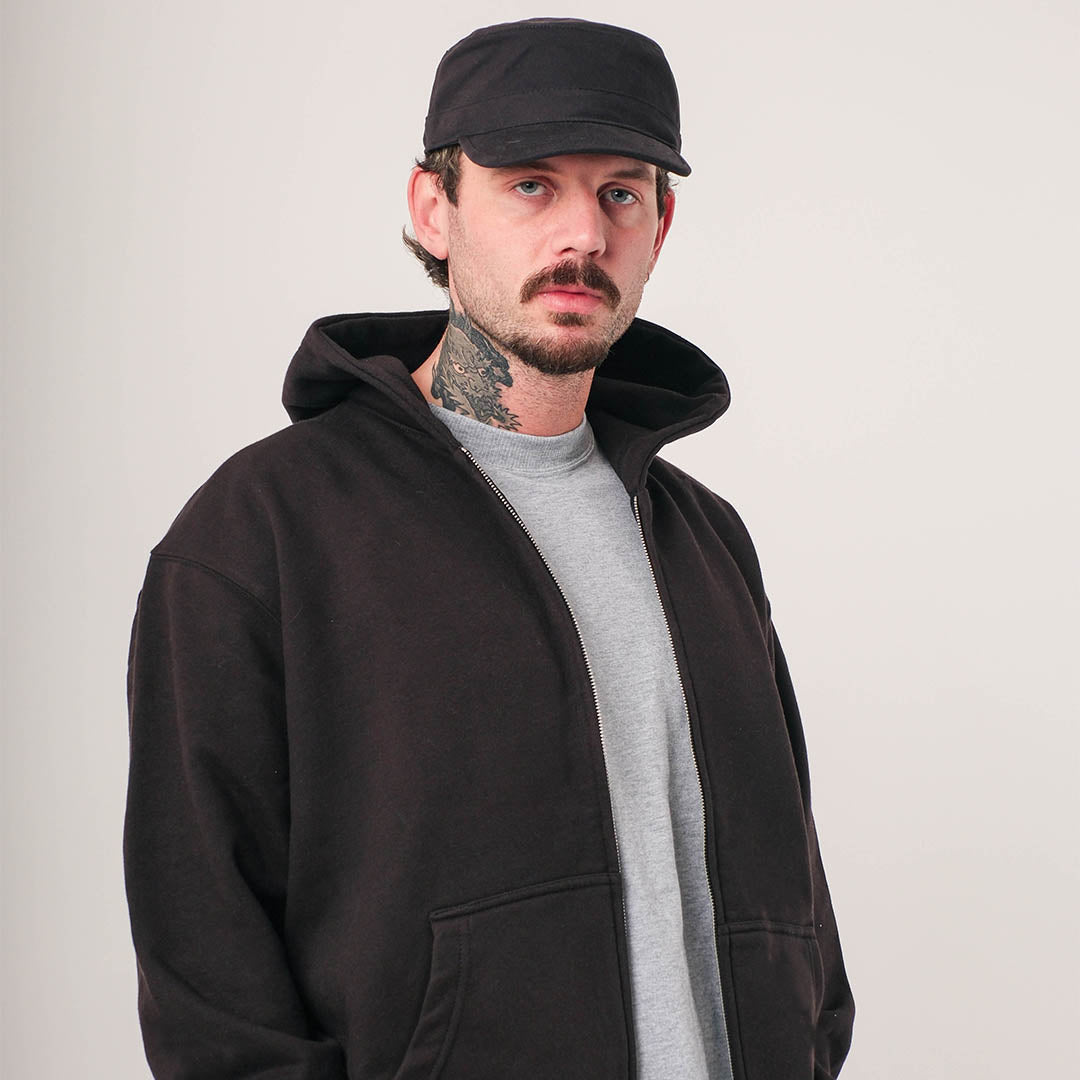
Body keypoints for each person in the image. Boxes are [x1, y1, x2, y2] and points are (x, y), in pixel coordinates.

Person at [124, 17, 854, 1080]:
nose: (583, 234)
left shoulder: (704, 542)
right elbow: (209, 979)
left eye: (620, 193)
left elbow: (799, 913)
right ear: (434, 208)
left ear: (661, 225)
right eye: (531, 186)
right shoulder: (264, 534)